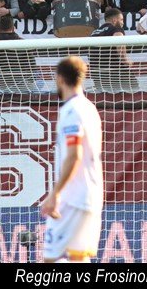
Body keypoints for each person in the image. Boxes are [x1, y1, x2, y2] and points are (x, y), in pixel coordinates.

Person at [40, 56, 103, 263]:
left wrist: (55, 194)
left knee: (50, 258)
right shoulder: (89, 108)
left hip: (73, 198)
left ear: (59, 79)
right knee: (78, 259)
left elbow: (74, 156)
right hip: (91, 196)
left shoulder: (72, 110)